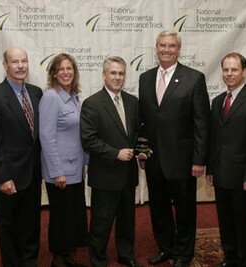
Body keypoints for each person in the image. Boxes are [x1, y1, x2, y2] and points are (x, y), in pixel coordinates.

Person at [138, 30, 210, 267]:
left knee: (185, 211)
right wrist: (143, 151)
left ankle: (184, 253)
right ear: (156, 48)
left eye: (171, 46)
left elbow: (202, 122)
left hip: (183, 159)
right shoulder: (145, 78)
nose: (166, 49)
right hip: (154, 160)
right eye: (162, 45)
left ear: (179, 49)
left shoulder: (194, 78)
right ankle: (166, 248)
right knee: (158, 209)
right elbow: (144, 121)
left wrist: (199, 159)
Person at [0, 47, 43, 267]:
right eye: (14, 62)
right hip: (10, 177)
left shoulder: (36, 93)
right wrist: (2, 176)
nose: (20, 66)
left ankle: (30, 261)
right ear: (5, 65)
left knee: (32, 223)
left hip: (34, 173)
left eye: (24, 61)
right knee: (9, 226)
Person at [206, 52, 246, 267]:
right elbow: (214, 139)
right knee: (225, 222)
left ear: (244, 72)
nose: (229, 74)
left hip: (243, 177)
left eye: (234, 69)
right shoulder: (217, 102)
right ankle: (230, 259)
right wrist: (211, 170)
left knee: (243, 223)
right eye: (226, 69)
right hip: (221, 175)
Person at [80, 56, 143, 267]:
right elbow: (88, 140)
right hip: (105, 175)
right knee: (101, 223)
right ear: (104, 75)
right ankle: (98, 260)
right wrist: (115, 153)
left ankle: (126, 254)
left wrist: (143, 151)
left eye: (121, 73)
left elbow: (138, 135)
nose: (117, 77)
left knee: (127, 221)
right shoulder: (92, 103)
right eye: (113, 73)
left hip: (128, 175)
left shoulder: (133, 102)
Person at [39, 53, 88, 267]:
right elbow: (46, 137)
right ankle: (58, 258)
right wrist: (57, 171)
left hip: (75, 169)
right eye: (61, 69)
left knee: (72, 214)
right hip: (60, 172)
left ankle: (67, 255)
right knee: (61, 216)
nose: (66, 72)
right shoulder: (51, 97)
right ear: (54, 73)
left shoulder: (74, 97)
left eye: (70, 69)